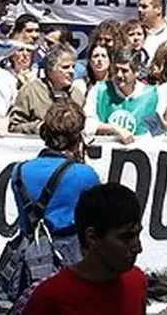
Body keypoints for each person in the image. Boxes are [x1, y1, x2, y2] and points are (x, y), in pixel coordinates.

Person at [15, 184, 146, 315]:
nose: (138, 248)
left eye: (137, 235)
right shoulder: (50, 298)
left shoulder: (136, 282)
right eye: (126, 238)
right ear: (92, 237)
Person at [11, 102, 100, 276]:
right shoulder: (86, 175)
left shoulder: (19, 171)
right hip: (71, 259)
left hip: (29, 261)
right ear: (78, 137)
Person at [84, 48, 158, 143]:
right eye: (116, 69)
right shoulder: (100, 90)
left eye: (124, 71)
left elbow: (155, 132)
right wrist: (115, 128)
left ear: (136, 72)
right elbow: (88, 124)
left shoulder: (149, 95)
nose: (119, 75)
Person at [9, 43, 84, 134]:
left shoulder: (77, 95)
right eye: (65, 67)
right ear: (50, 69)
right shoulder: (30, 92)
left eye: (73, 67)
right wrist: (38, 127)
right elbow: (14, 127)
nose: (71, 71)